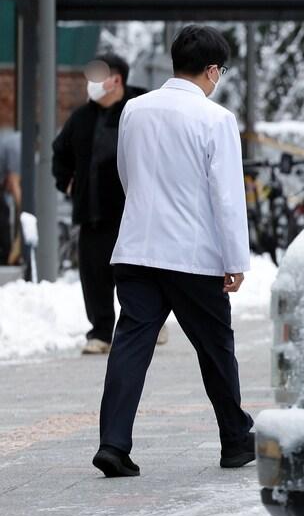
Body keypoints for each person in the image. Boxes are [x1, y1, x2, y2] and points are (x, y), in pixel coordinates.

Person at [92, 26, 255, 478]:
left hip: (138, 247)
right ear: (210, 70)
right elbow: (226, 196)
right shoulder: (216, 119)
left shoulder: (134, 111)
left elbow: (127, 174)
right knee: (215, 347)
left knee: (131, 345)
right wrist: (235, 261)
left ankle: (114, 443)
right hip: (192, 254)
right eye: (219, 71)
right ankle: (236, 440)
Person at [52, 54, 151, 354]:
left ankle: (147, 325)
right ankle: (101, 331)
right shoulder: (81, 117)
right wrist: (67, 183)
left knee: (136, 275)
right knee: (93, 276)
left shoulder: (140, 109)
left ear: (116, 79)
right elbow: (60, 154)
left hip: (131, 214)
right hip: (91, 213)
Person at [0, 128, 20, 265]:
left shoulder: (15, 140)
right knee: (3, 216)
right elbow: (13, 181)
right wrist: (24, 207)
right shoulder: (18, 145)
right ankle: (6, 258)